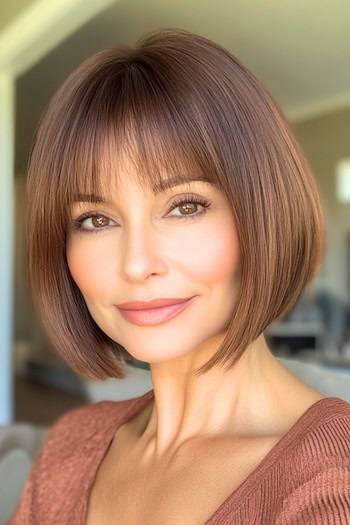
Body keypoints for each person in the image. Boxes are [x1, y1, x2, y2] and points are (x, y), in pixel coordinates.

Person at [10, 28, 350, 524]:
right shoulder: (70, 446)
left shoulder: (330, 486)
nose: (135, 263)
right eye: (95, 220)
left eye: (185, 206)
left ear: (265, 213)